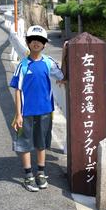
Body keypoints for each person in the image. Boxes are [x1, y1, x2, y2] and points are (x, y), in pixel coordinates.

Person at [9, 25, 65, 192]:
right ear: (27, 42)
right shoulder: (23, 65)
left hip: (45, 111)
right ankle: (28, 175)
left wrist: (64, 80)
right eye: (33, 40)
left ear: (44, 44)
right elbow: (18, 91)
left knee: (41, 143)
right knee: (24, 143)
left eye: (40, 40)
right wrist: (18, 114)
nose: (36, 43)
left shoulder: (48, 62)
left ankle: (41, 172)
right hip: (25, 113)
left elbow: (61, 75)